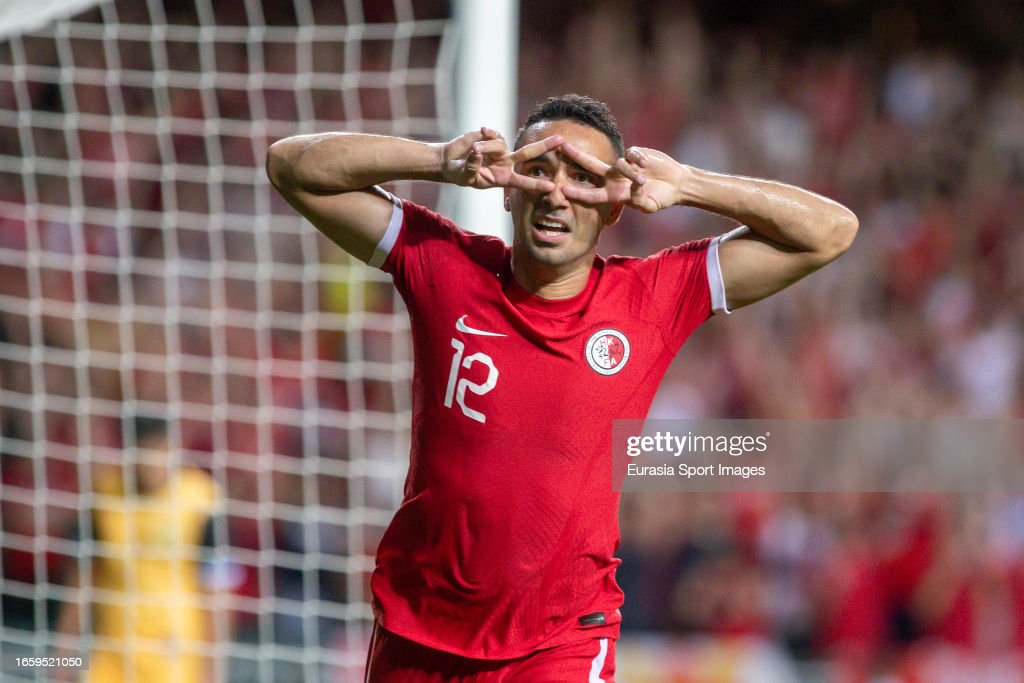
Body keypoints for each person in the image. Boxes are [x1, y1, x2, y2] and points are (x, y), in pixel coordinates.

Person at [267, 94, 857, 681]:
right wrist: (437, 160)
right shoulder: (444, 264)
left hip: (561, 642)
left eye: (583, 178)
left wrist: (689, 184)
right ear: (506, 187)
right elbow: (291, 167)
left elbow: (830, 231)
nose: (557, 193)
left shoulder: (654, 296)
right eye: (539, 171)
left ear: (613, 206)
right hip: (420, 629)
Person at [53, 416, 227, 683]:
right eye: (144, 452)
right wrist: (60, 659)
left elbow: (218, 596)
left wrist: (213, 672)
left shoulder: (203, 500)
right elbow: (79, 586)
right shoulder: (104, 499)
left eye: (159, 451)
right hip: (111, 658)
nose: (151, 464)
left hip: (176, 656)